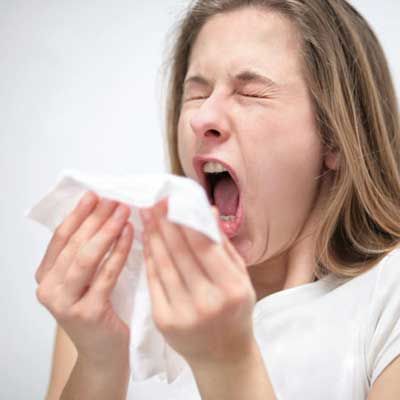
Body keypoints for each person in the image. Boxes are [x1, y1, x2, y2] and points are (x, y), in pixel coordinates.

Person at [35, 0, 400, 399]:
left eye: (250, 92)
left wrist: (226, 363)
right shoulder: (113, 296)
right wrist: (99, 361)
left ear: (335, 135)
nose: (202, 118)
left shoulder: (387, 297)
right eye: (196, 94)